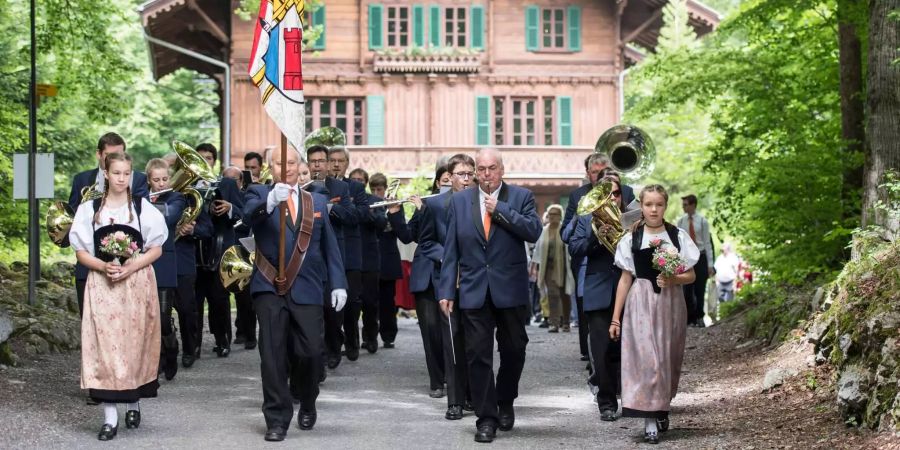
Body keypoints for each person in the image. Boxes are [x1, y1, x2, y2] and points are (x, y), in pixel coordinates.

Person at [438, 148, 542, 443]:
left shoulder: (521, 197)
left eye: (491, 168)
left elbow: (534, 230)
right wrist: (446, 290)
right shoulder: (459, 202)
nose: (485, 174)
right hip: (473, 290)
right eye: (480, 169)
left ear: (501, 170)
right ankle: (486, 418)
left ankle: (505, 400)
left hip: (509, 289)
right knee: (477, 356)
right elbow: (451, 250)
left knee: (514, 350)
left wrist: (502, 211)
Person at [244, 149, 347, 442]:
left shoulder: (316, 201)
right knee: (272, 355)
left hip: (308, 286)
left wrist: (338, 282)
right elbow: (247, 217)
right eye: (279, 163)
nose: (286, 168)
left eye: (291, 162)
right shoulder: (258, 192)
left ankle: (308, 398)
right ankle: (277, 418)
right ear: (270, 167)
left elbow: (329, 246)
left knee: (312, 351)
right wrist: (269, 201)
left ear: (300, 166)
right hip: (268, 286)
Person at [69, 152, 167, 441]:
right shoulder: (90, 210)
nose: (122, 179)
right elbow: (81, 251)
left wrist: (130, 266)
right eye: (116, 173)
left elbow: (156, 247)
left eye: (126, 173)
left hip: (136, 282)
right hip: (103, 285)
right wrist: (103, 265)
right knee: (106, 347)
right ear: (106, 174)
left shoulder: (142, 208)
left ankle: (133, 400)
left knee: (134, 343)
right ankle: (110, 417)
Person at [609, 184, 700, 444]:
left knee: (667, 359)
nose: (653, 209)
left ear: (665, 206)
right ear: (641, 205)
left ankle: (662, 406)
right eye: (648, 204)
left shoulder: (677, 235)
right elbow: (625, 279)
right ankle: (649, 419)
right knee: (647, 359)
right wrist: (616, 318)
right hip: (640, 303)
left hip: (670, 304)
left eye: (658, 204)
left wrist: (674, 279)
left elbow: (691, 274)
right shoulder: (632, 238)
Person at [405, 154, 474, 420]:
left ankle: (472, 395)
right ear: (450, 177)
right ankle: (455, 401)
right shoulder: (435, 206)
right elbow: (426, 242)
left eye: (470, 174)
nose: (465, 180)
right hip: (448, 281)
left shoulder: (484, 201)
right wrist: (449, 257)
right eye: (460, 174)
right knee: (452, 342)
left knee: (475, 342)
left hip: (477, 281)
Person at [560, 154, 634, 362]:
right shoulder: (578, 197)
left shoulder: (626, 193)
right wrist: (589, 226)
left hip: (623, 270)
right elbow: (568, 237)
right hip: (590, 266)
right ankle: (592, 359)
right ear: (588, 174)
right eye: (594, 171)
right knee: (592, 317)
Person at [69, 132, 149, 316]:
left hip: (127, 261)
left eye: (119, 155)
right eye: (109, 156)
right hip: (89, 262)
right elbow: (72, 215)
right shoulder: (81, 180)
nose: (114, 160)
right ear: (99, 154)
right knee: (90, 319)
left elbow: (141, 216)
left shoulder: (136, 179)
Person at [567, 176, 626, 422]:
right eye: (607, 193)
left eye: (615, 194)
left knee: (627, 349)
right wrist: (596, 237)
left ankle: (632, 398)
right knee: (601, 350)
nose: (611, 198)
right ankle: (607, 403)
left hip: (630, 291)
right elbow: (575, 247)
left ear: (622, 197)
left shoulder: (633, 218)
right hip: (598, 288)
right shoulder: (586, 219)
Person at [388, 164, 444, 399]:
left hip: (453, 272)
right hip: (426, 274)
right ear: (438, 183)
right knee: (430, 329)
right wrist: (395, 212)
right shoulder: (427, 204)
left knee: (452, 330)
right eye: (444, 179)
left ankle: (457, 377)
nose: (448, 182)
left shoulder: (464, 203)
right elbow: (408, 236)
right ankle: (437, 380)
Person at [306, 144, 357, 369]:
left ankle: (334, 348)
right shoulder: (302, 186)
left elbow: (350, 216)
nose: (317, 165)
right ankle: (317, 353)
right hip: (308, 253)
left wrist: (328, 209)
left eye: (321, 161)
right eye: (313, 161)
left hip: (332, 252)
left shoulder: (340, 187)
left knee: (332, 308)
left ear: (328, 163)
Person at [193, 144, 245, 357]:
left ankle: (222, 340)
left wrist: (229, 208)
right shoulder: (188, 185)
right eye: (201, 157)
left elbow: (244, 212)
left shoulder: (226, 184)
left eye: (209, 157)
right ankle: (193, 344)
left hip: (220, 250)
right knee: (194, 301)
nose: (206, 161)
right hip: (195, 250)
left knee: (219, 300)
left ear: (215, 161)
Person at [147, 159, 187, 380]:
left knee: (162, 318)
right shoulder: (139, 198)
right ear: (149, 181)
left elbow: (169, 216)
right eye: (156, 180)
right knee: (146, 318)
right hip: (142, 262)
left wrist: (147, 206)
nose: (161, 183)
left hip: (164, 262)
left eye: (164, 179)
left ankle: (171, 349)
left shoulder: (176, 198)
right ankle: (153, 362)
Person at [328, 147, 369, 362]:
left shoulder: (355, 187)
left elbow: (360, 214)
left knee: (352, 303)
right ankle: (333, 350)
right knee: (333, 306)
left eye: (340, 160)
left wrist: (337, 209)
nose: (336, 164)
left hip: (351, 253)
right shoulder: (321, 187)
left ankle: (352, 341)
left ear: (347, 163)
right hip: (330, 252)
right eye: (332, 160)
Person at [349, 167, 386, 354]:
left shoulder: (376, 201)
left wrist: (364, 211)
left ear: (365, 183)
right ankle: (352, 342)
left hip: (370, 258)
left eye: (360, 180)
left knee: (371, 302)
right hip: (351, 258)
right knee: (352, 304)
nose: (357, 182)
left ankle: (371, 337)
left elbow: (381, 223)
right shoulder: (345, 199)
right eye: (353, 179)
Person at [369, 173, 402, 348]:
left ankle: (388, 335)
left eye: (379, 189)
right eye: (373, 189)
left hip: (388, 259)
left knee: (388, 301)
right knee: (370, 300)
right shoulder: (369, 205)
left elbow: (397, 227)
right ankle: (371, 336)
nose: (376, 192)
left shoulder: (391, 205)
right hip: (372, 259)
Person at [533, 204, 575, 332]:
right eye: (550, 214)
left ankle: (566, 321)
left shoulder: (564, 229)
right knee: (552, 294)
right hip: (548, 267)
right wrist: (535, 267)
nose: (552, 217)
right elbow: (538, 250)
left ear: (560, 216)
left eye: (555, 214)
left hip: (562, 267)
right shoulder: (544, 231)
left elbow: (569, 247)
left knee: (564, 295)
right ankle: (554, 323)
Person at [677, 194, 716, 327]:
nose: (683, 207)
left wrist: (710, 264)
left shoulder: (702, 221)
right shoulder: (681, 221)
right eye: (683, 205)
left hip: (701, 256)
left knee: (700, 289)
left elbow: (707, 243)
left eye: (686, 204)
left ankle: (700, 316)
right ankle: (690, 318)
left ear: (693, 205)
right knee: (687, 289)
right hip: (687, 258)